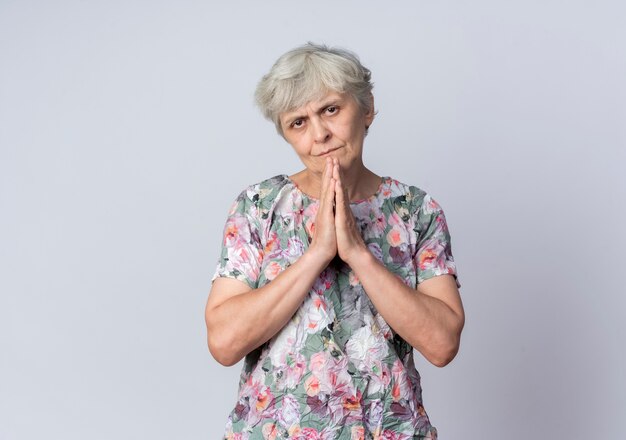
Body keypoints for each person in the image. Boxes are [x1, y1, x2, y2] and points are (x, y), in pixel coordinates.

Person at [205, 42, 465, 439]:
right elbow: (224, 343)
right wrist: (317, 254)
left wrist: (359, 253)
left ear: (367, 109)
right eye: (298, 122)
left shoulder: (417, 210)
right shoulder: (258, 207)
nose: (320, 134)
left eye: (330, 109)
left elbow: (442, 344)